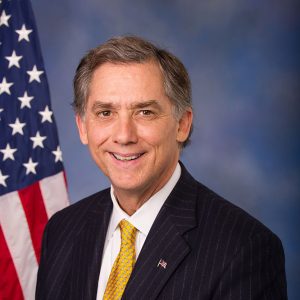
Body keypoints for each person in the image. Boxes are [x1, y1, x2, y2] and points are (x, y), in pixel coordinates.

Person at [36, 36, 287, 300]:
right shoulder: (62, 230)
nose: (124, 136)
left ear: (182, 124)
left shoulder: (244, 248)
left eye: (144, 112)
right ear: (82, 127)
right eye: (105, 113)